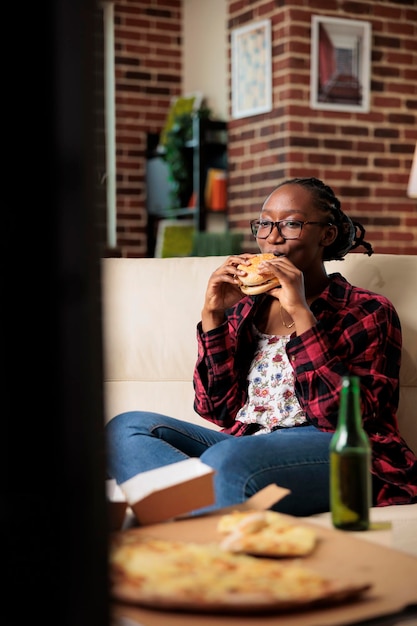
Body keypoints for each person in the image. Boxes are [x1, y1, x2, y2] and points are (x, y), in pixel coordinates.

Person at [106, 177, 417, 516]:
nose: (272, 237)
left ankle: (186, 511)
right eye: (265, 224)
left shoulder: (367, 310)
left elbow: (345, 419)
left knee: (226, 460)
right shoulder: (246, 309)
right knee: (125, 429)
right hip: (249, 445)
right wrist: (213, 315)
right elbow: (218, 410)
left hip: (340, 451)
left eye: (292, 224)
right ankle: (209, 509)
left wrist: (301, 313)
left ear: (326, 235)